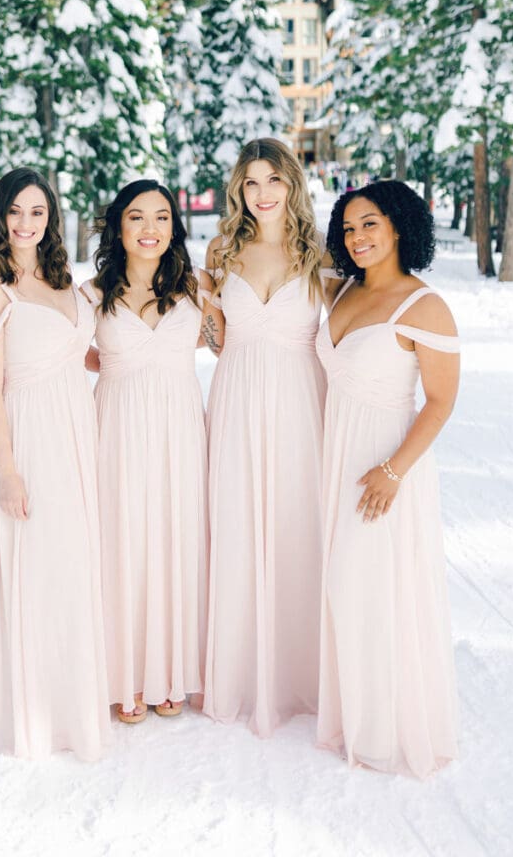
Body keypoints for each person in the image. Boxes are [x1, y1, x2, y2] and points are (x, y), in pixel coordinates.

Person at [0, 167, 110, 760]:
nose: (26, 223)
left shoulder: (59, 277)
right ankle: (35, 707)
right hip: (28, 437)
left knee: (72, 564)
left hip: (76, 432)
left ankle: (73, 694)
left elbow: (80, 353)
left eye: (38, 212)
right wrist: (8, 471)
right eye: (16, 211)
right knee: (37, 565)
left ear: (52, 218)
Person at [316, 179, 460, 778]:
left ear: (399, 224)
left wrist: (394, 471)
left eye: (369, 223)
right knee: (343, 586)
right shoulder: (341, 288)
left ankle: (383, 728)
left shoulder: (424, 306)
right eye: (348, 227)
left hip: (383, 466)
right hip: (336, 457)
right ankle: (351, 713)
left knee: (378, 588)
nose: (357, 237)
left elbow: (440, 402)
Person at [202, 138, 327, 737]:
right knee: (237, 522)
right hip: (237, 396)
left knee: (297, 524)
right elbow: (216, 338)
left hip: (302, 401)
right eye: (250, 183)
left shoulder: (319, 254)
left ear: (292, 184)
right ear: (238, 190)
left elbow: (349, 328)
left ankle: (300, 673)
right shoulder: (222, 250)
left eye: (272, 180)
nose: (262, 194)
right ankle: (240, 671)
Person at [82, 180, 214, 724]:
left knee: (175, 537)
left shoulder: (198, 287)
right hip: (115, 428)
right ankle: (124, 675)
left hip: (180, 429)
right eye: (137, 217)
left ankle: (171, 669)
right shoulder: (90, 294)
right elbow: (74, 354)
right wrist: (121, 367)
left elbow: (230, 340)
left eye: (161, 217)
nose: (150, 228)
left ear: (174, 226)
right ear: (118, 225)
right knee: (122, 540)